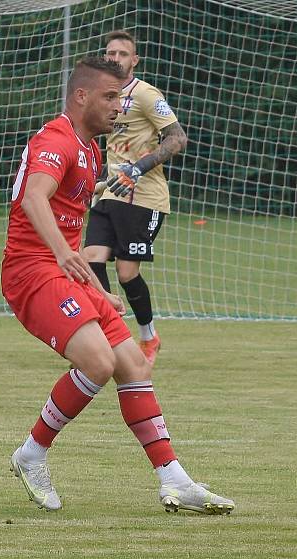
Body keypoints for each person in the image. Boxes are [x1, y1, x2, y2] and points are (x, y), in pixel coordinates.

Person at [2, 55, 233, 514]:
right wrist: (68, 257)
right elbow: (34, 197)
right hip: (32, 271)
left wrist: (92, 282)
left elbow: (69, 226)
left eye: (122, 98)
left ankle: (174, 480)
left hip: (66, 273)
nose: (118, 108)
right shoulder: (57, 139)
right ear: (81, 96)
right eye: (110, 97)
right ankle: (32, 453)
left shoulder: (90, 150)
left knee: (133, 365)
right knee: (99, 362)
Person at [83, 29, 188, 366]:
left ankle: (148, 336)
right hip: (111, 193)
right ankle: (107, 338)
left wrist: (138, 169)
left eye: (122, 54)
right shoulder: (105, 96)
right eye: (110, 54)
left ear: (134, 60)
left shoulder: (146, 94)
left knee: (127, 273)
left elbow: (177, 139)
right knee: (89, 260)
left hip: (144, 197)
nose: (115, 59)